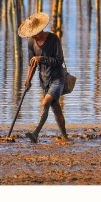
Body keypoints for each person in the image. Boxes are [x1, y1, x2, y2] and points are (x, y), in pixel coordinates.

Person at [18, 12, 69, 143]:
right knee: (55, 108)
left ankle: (35, 134)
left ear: (41, 29)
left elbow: (59, 60)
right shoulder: (31, 43)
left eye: (35, 33)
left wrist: (42, 58)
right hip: (44, 80)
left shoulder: (53, 39)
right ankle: (65, 136)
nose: (34, 36)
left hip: (58, 78)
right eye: (31, 34)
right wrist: (28, 79)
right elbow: (32, 63)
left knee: (45, 102)